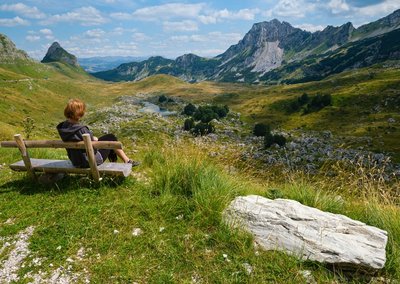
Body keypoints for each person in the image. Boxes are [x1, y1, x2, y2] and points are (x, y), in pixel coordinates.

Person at [57, 98, 139, 168]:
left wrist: (92, 140)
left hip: (75, 161)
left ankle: (120, 162)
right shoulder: (82, 129)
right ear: (80, 113)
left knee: (109, 137)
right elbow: (94, 148)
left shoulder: (63, 127)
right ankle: (125, 161)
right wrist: (94, 140)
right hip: (89, 161)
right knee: (111, 140)